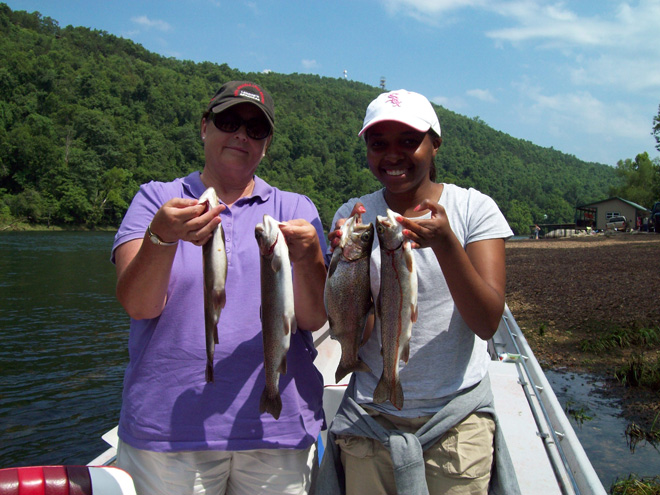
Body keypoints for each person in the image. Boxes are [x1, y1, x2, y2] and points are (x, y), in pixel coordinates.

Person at [111, 81, 328, 495]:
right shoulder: (156, 199)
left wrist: (310, 257)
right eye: (229, 121)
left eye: (255, 128)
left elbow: (314, 318)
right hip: (169, 433)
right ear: (204, 127)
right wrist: (161, 236)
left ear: (266, 144)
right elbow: (139, 305)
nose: (241, 135)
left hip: (276, 431)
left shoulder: (296, 209)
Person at [317, 90, 518, 495]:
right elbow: (363, 326)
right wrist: (345, 267)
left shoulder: (473, 209)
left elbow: (486, 321)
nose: (393, 155)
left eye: (409, 141)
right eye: (379, 144)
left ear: (435, 144)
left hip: (456, 423)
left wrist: (446, 244)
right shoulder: (353, 214)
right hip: (370, 420)